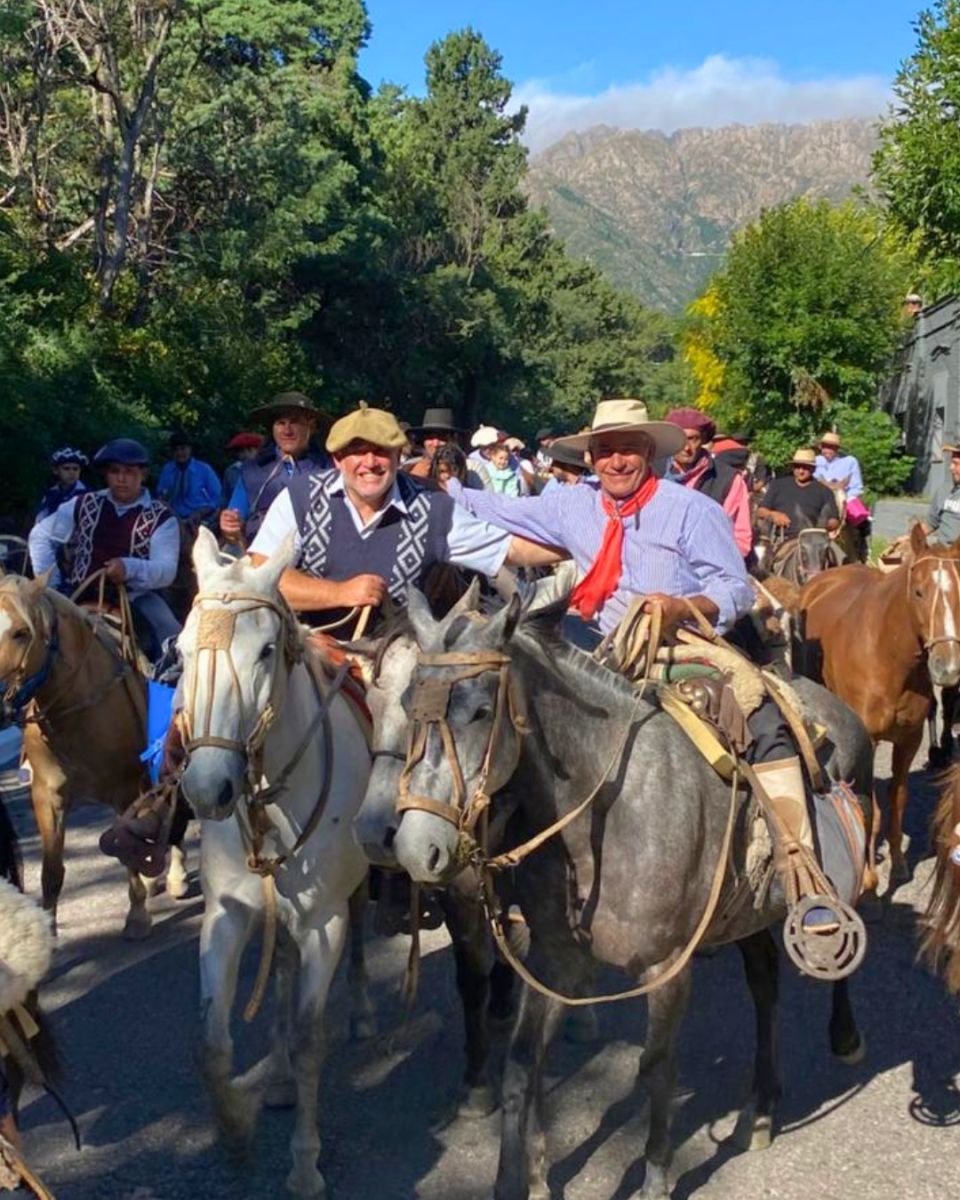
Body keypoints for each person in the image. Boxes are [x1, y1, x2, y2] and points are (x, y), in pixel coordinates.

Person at [445, 397, 813, 863]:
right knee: (512, 717)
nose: (616, 461)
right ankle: (503, 873)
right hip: (600, 649)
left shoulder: (691, 510)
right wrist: (434, 486)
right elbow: (491, 506)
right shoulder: (571, 505)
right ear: (591, 458)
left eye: (628, 449)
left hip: (682, 646)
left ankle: (800, 865)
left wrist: (682, 606)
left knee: (756, 712)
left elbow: (734, 589)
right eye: (605, 450)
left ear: (648, 452)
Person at [247, 403, 560, 636]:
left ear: (398, 456)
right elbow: (259, 575)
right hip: (311, 657)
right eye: (357, 451)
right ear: (338, 459)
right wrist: (339, 593)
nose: (370, 463)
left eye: (381, 451)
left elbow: (510, 549)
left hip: (398, 674)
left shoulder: (433, 508)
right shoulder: (301, 498)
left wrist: (586, 543)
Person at [29, 438, 181, 660]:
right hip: (80, 594)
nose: (121, 479)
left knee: (175, 643)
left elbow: (166, 571)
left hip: (137, 597)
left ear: (143, 474)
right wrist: (51, 587)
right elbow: (39, 535)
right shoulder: (84, 503)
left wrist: (128, 568)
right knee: (27, 638)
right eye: (114, 471)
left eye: (129, 471)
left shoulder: (162, 517)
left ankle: (173, 690)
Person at [220, 391, 331, 550]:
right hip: (259, 560)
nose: (287, 430)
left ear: (311, 426)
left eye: (295, 422)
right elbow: (235, 523)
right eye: (280, 423)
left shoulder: (328, 469)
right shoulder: (252, 470)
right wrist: (229, 526)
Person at [663, 408, 753, 558]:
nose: (686, 448)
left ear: (703, 440)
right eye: (681, 439)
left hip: (710, 566)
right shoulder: (654, 472)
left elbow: (740, 537)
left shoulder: (727, 479)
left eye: (693, 439)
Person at [756, 448, 839, 539]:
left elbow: (834, 520)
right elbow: (761, 511)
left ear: (813, 469)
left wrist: (823, 526)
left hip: (813, 540)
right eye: (797, 467)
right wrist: (773, 515)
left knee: (839, 553)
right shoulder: (778, 485)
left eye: (805, 467)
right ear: (793, 467)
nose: (801, 471)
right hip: (782, 539)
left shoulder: (825, 491)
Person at [156, 432, 222, 530]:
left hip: (202, 518)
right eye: (175, 450)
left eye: (183, 448)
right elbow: (160, 496)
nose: (179, 453)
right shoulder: (167, 470)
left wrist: (200, 512)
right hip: (174, 519)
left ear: (190, 449)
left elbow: (218, 498)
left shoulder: (204, 469)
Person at [404, 408, 464, 480]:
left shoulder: (471, 468)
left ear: (453, 440)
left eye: (442, 437)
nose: (436, 444)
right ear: (424, 441)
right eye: (430, 437)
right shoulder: (408, 468)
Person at [35, 447, 88, 521]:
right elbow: (41, 519)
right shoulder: (50, 494)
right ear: (55, 470)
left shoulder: (87, 495)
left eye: (75, 469)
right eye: (66, 468)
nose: (71, 473)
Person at [922, 445, 960, 544]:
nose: (950, 468)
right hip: (941, 552)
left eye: (956, 464)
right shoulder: (944, 490)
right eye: (951, 462)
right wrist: (908, 538)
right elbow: (930, 524)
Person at [220, 432, 264, 507]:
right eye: (238, 451)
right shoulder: (232, 471)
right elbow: (225, 498)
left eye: (243, 451)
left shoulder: (268, 469)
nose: (240, 455)